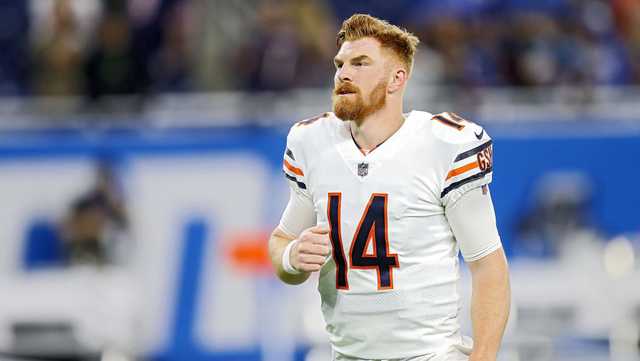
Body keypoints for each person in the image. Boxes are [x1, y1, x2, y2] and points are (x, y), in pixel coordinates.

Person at [268, 14, 510, 361]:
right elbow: (281, 242)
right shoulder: (311, 142)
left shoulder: (443, 144)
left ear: (398, 78)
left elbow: (488, 264)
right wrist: (292, 258)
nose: (344, 74)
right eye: (340, 64)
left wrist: (483, 357)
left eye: (361, 63)